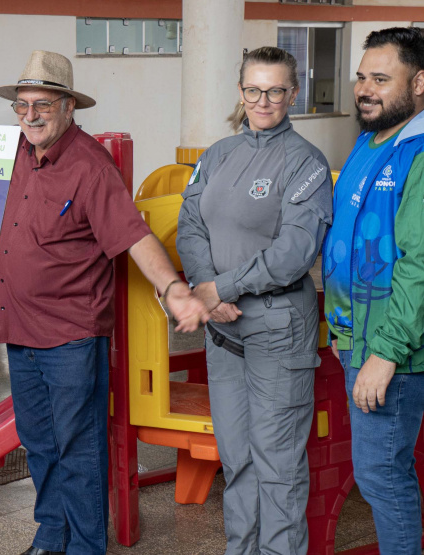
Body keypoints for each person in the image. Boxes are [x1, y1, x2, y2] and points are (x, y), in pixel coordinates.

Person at [0, 50, 204, 555]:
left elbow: (135, 236)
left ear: (68, 107)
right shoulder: (12, 150)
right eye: (21, 105)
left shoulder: (90, 168)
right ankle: (50, 533)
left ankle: (84, 546)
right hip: (17, 329)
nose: (29, 115)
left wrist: (173, 289)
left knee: (79, 449)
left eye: (42, 105)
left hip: (70, 336)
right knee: (38, 443)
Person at [176, 46, 333, 555]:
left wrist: (219, 289)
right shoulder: (218, 154)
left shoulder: (305, 162)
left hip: (277, 329)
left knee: (278, 465)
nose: (262, 101)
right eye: (252, 89)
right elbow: (190, 224)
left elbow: (292, 254)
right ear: (239, 91)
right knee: (237, 458)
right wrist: (207, 288)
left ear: (293, 93)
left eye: (274, 90)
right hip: (223, 331)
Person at [322, 27, 424, 555]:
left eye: (382, 79)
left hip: (391, 350)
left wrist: (386, 352)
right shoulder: (369, 141)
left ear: (420, 82)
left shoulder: (419, 152)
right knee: (377, 474)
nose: (365, 89)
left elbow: (419, 264)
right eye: (362, 76)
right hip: (354, 342)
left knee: (382, 476)